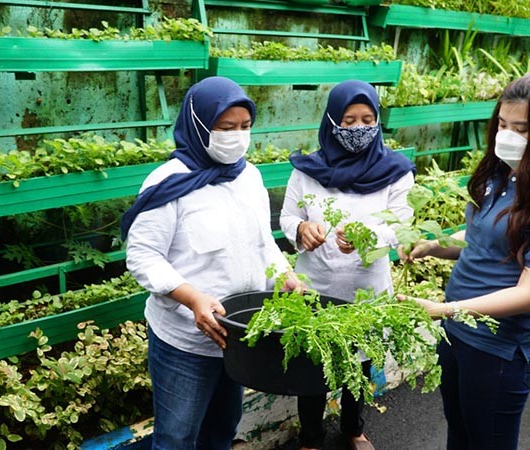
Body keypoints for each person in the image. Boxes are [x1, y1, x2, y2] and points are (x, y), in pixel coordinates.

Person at [402, 71, 530, 450]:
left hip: (497, 349)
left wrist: (443, 309)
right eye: (503, 125)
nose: (507, 137)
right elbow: (485, 239)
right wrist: (434, 244)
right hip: (458, 334)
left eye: (522, 129)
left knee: (488, 441)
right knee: (458, 432)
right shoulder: (503, 172)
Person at [122, 76, 298, 450]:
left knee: (223, 427)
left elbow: (262, 240)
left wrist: (285, 275)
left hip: (238, 333)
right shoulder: (169, 182)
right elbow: (142, 255)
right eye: (226, 127)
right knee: (177, 436)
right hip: (185, 340)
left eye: (245, 127)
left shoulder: (248, 175)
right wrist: (192, 298)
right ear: (199, 126)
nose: (238, 136)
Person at [279, 80, 416, 450]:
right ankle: (310, 436)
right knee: (313, 363)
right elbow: (288, 216)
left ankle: (353, 429)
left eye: (367, 119)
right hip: (316, 286)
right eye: (348, 120)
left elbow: (400, 223)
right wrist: (302, 229)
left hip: (366, 288)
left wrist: (368, 235)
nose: (358, 129)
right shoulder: (308, 170)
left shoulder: (396, 170)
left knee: (360, 365)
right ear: (330, 122)